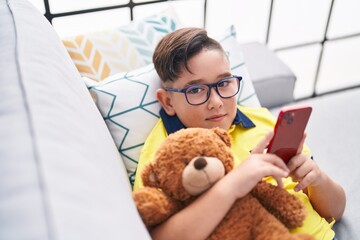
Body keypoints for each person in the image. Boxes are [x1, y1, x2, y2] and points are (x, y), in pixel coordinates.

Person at [133, 27, 346, 240]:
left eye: (224, 83)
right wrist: (236, 183)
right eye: (196, 90)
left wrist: (317, 179)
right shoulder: (163, 152)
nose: (216, 103)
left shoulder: (261, 121)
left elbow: (336, 210)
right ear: (168, 102)